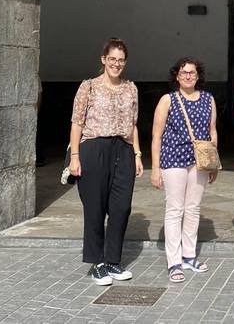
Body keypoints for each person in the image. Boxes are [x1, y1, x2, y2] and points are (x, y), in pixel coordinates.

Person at [68, 37, 144, 286]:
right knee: (95, 208)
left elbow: (133, 125)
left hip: (123, 149)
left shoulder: (131, 88)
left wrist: (137, 154)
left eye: (121, 60)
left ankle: (113, 260)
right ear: (103, 60)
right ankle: (97, 262)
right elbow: (77, 122)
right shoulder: (88, 87)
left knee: (121, 207)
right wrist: (75, 157)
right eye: (112, 59)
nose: (116, 64)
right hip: (93, 148)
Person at [151, 58, 218, 283]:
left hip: (199, 161)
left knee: (193, 208)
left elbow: (212, 131)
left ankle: (189, 255)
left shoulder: (208, 99)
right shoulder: (167, 100)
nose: (188, 76)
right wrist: (155, 168)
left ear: (198, 76)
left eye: (192, 72)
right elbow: (156, 135)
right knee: (174, 209)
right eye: (184, 72)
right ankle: (174, 261)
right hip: (173, 158)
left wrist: (213, 162)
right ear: (177, 76)